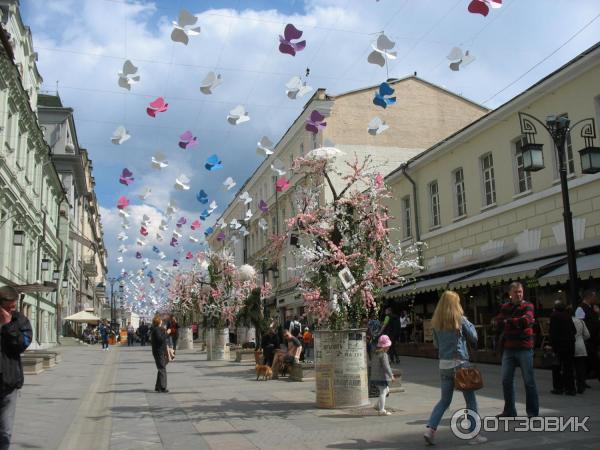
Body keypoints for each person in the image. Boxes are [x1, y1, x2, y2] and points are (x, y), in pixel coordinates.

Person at [423, 290, 487, 445]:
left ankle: (430, 430)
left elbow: (436, 345)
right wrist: (468, 323)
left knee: (444, 401)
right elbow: (474, 337)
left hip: (444, 365)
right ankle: (474, 435)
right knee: (470, 401)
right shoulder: (460, 320)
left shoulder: (436, 323)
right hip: (460, 365)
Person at [494, 281, 539, 418]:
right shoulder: (505, 307)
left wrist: (508, 322)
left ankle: (532, 412)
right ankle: (509, 411)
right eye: (516, 292)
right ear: (510, 294)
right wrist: (514, 322)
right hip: (509, 348)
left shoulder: (528, 305)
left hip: (524, 348)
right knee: (506, 380)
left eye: (520, 292)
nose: (519, 294)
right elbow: (497, 322)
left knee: (529, 381)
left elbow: (527, 320)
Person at [0, 286, 33, 449]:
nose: (12, 310)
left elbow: (22, 345)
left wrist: (8, 325)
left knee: (5, 430)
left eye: (14, 306)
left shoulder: (20, 321)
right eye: (8, 307)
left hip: (9, 381)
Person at [549, 301, 576, 395]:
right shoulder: (568, 316)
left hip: (559, 346)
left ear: (555, 308)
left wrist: (552, 345)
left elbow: (552, 332)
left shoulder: (554, 316)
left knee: (556, 367)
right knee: (568, 367)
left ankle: (558, 387)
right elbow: (574, 330)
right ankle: (570, 388)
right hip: (570, 345)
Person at [575, 289, 599, 384]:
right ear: (589, 297)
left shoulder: (592, 307)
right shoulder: (581, 308)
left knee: (589, 361)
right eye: (594, 296)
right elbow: (579, 324)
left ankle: (582, 380)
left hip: (593, 338)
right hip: (587, 339)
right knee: (594, 360)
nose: (596, 298)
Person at [371, 335, 395, 416]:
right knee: (383, 392)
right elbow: (386, 366)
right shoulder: (384, 354)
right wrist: (391, 375)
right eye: (388, 346)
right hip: (381, 377)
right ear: (385, 346)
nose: (389, 347)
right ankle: (381, 410)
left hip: (375, 376)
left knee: (386, 390)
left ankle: (377, 405)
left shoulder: (375, 353)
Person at [150, 314, 171, 393]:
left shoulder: (157, 329)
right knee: (162, 369)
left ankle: (158, 386)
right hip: (159, 352)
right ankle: (162, 387)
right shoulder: (156, 330)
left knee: (161, 368)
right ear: (159, 321)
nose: (162, 321)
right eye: (161, 320)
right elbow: (160, 339)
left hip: (158, 351)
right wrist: (167, 333)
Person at [573, 308, 590, 394]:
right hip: (580, 346)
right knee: (580, 367)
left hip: (571, 346)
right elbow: (587, 335)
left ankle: (571, 386)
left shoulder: (570, 320)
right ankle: (581, 385)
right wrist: (581, 339)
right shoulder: (581, 322)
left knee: (572, 367)